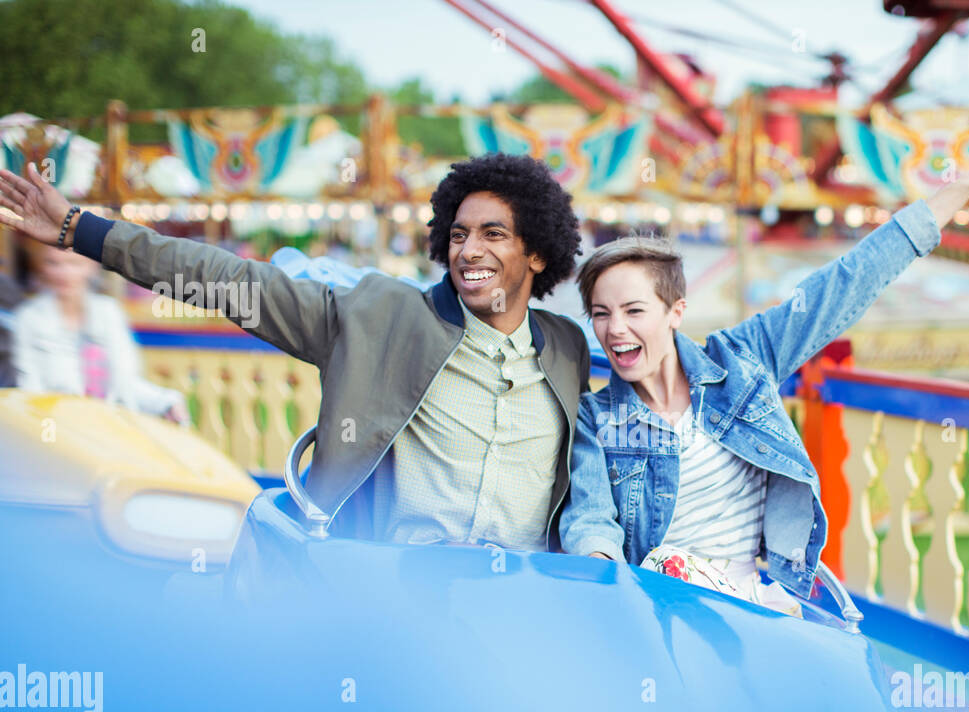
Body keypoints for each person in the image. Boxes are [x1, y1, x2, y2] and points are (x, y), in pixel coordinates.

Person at [561, 121, 969, 611]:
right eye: (601, 314)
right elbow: (591, 519)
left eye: (633, 311)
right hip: (661, 608)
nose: (614, 328)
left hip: (755, 603)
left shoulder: (742, 361)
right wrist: (607, 579)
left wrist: (964, 186)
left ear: (675, 312)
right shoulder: (597, 420)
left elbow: (849, 280)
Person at [0, 154, 589, 547]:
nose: (468, 250)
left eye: (494, 235)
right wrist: (82, 230)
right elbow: (224, 279)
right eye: (459, 234)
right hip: (392, 593)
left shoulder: (566, 350)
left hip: (521, 603)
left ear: (536, 254)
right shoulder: (376, 315)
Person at [6, 242, 188, 421]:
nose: (64, 273)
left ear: (91, 267)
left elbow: (126, 383)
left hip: (109, 426)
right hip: (57, 428)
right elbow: (30, 389)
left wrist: (168, 402)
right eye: (53, 263)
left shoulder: (108, 312)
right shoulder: (29, 318)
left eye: (73, 264)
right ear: (42, 267)